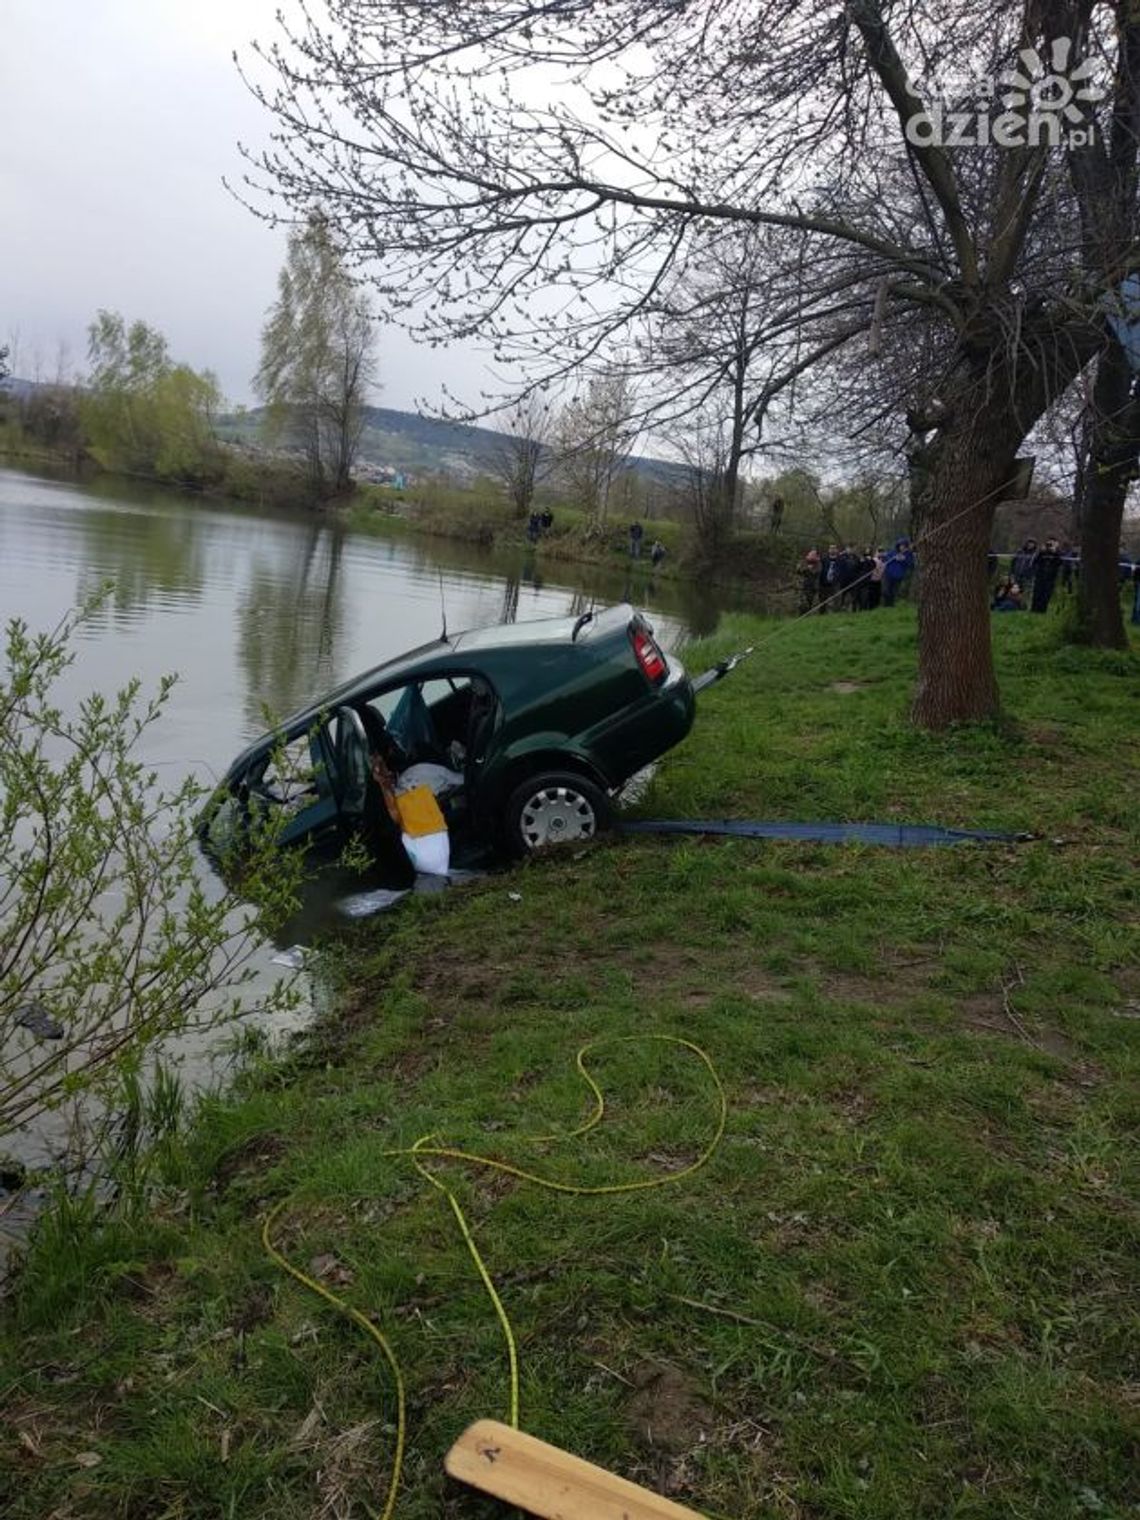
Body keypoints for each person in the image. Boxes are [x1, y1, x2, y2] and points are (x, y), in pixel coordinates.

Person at [1031, 537, 1062, 613]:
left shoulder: (1057, 553)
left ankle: (1042, 610)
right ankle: (1034, 610)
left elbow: (1059, 563)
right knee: (1037, 593)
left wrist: (1055, 552)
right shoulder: (1042, 552)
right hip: (1040, 576)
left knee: (1046, 595)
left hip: (1050, 578)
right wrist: (1041, 552)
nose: (1049, 546)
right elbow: (1035, 561)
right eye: (1048, 544)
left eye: (1051, 544)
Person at [882, 536, 915, 606]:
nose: (902, 547)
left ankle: (891, 606)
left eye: (903, 545)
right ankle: (886, 605)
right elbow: (886, 557)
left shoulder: (908, 554)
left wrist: (904, 559)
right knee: (886, 591)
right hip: (888, 574)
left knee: (893, 592)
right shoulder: (893, 552)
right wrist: (894, 557)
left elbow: (911, 564)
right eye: (900, 545)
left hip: (898, 576)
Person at [818, 542, 843, 611]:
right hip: (824, 583)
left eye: (834, 548)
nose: (832, 550)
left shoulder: (841, 560)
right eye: (831, 548)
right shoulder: (824, 559)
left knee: (837, 601)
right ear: (829, 550)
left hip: (835, 583)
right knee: (822, 602)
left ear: (837, 550)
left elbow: (843, 571)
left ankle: (836, 614)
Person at [799, 547, 820, 613]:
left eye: (814, 554)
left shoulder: (818, 563)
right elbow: (799, 570)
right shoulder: (803, 562)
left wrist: (810, 569)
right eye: (811, 554)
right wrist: (807, 568)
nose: (812, 556)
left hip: (814, 586)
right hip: (804, 586)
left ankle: (812, 614)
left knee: (813, 602)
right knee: (803, 603)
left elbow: (817, 571)